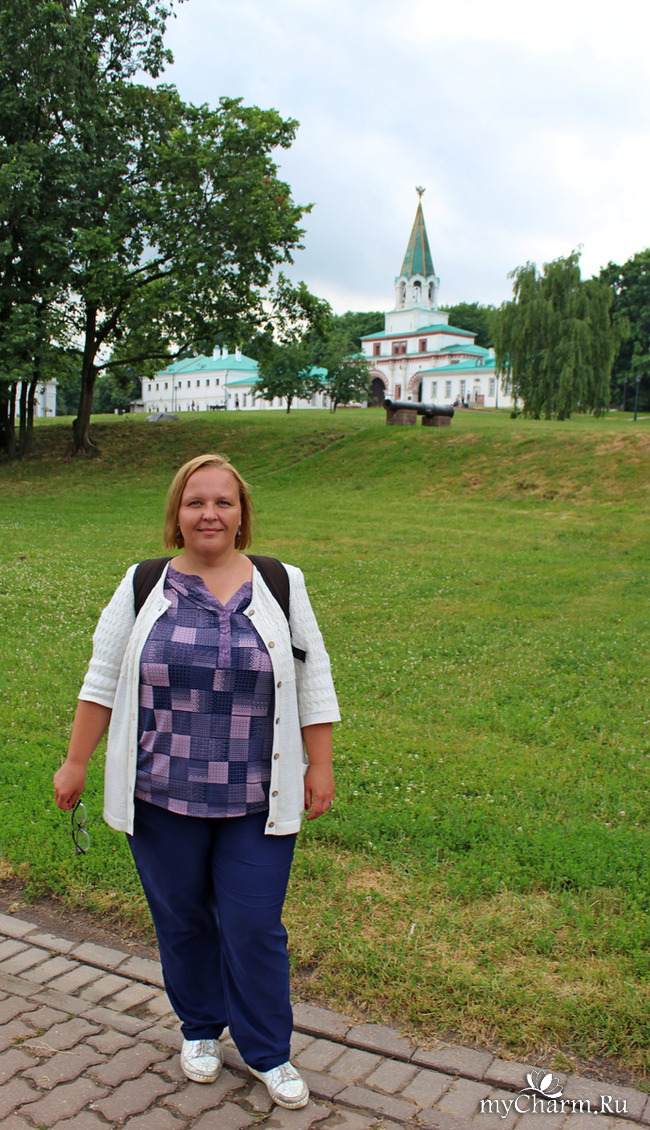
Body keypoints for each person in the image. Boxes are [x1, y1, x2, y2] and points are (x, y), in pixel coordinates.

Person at [53, 452, 340, 1110]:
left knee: (254, 925)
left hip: (256, 798)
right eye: (195, 502)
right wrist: (76, 761)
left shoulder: (280, 583)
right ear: (177, 515)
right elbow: (102, 679)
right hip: (161, 796)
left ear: (241, 516)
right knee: (181, 921)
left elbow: (314, 677)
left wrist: (319, 763)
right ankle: (201, 1029)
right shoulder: (142, 585)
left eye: (223, 502)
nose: (209, 513)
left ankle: (268, 1051)